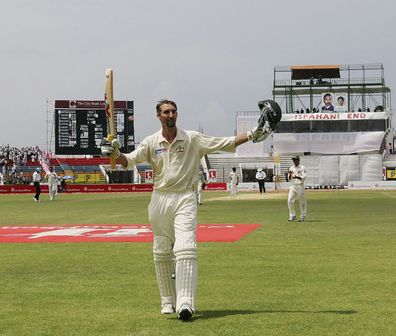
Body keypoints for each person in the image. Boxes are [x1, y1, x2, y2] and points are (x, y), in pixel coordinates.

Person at [100, 98, 278, 321]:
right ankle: (167, 300)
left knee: (185, 247)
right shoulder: (151, 141)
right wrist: (114, 153)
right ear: (159, 116)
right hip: (160, 198)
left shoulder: (192, 138)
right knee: (162, 249)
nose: (171, 115)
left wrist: (252, 134)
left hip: (184, 196)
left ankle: (185, 303)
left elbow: (225, 142)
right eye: (166, 112)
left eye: (174, 111)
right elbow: (129, 161)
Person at [288, 156, 307, 221]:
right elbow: (289, 178)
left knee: (302, 201)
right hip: (293, 186)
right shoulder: (291, 168)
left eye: (295, 160)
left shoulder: (302, 167)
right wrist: (289, 174)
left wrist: (297, 177)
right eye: (293, 160)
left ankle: (303, 216)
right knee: (290, 200)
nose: (294, 161)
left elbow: (304, 177)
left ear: (298, 160)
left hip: (300, 186)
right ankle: (293, 215)